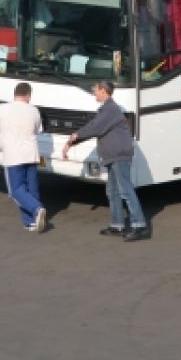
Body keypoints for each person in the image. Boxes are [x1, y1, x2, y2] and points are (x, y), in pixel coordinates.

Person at [62, 80, 150, 241]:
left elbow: (94, 127)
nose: (93, 93)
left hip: (119, 155)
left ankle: (140, 225)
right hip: (112, 156)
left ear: (103, 91)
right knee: (113, 191)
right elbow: (96, 127)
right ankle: (117, 225)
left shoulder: (110, 109)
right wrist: (73, 141)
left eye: (95, 90)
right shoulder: (107, 109)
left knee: (125, 190)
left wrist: (74, 138)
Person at [0, 82, 47, 233]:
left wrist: (1, 132)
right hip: (31, 154)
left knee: (16, 190)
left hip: (13, 155)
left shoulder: (1, 108)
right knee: (31, 188)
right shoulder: (34, 110)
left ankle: (37, 209)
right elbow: (38, 129)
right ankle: (30, 222)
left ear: (15, 94)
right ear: (28, 95)